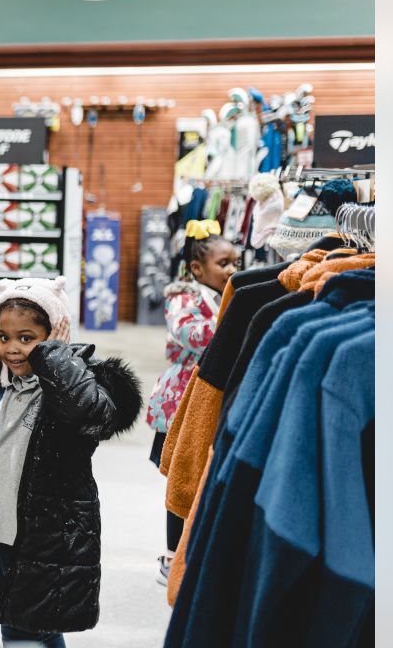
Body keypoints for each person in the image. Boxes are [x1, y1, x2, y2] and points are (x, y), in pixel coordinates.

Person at [0, 277, 143, 647]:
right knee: (36, 623)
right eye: (4, 337)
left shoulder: (75, 384)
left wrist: (55, 357)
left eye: (27, 339)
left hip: (49, 537)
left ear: (54, 335)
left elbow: (88, 414)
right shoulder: (0, 383)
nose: (13, 349)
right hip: (4, 527)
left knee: (22, 625)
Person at [144, 219, 237, 584]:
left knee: (200, 479)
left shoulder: (226, 296)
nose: (232, 270)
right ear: (197, 269)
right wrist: (235, 319)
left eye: (235, 263)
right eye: (224, 264)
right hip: (180, 403)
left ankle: (192, 550)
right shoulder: (183, 298)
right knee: (180, 480)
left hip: (208, 401)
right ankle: (171, 558)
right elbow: (191, 334)